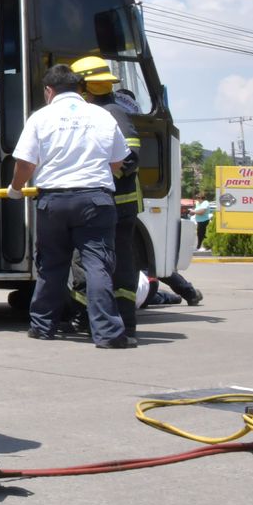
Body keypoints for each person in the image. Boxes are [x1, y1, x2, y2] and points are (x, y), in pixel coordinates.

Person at [9, 65, 132, 348]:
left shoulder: (41, 117)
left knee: (52, 264)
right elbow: (117, 163)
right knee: (97, 265)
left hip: (54, 200)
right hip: (96, 199)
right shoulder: (102, 115)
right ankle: (108, 334)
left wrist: (16, 189)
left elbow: (26, 163)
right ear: (80, 89)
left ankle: (42, 327)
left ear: (49, 91)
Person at [67, 56, 144, 337]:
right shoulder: (109, 110)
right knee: (116, 262)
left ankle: (94, 319)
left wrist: (92, 176)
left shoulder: (110, 112)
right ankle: (118, 322)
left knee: (92, 261)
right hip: (115, 202)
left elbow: (129, 159)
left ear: (84, 86)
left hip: (111, 203)